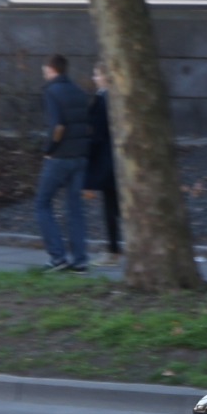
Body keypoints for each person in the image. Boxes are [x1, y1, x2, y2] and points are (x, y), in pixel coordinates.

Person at [35, 54, 92, 273]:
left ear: (51, 69)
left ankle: (57, 257)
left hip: (59, 158)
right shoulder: (78, 92)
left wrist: (48, 150)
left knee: (42, 204)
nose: (43, 71)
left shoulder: (51, 91)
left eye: (44, 68)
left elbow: (58, 127)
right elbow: (86, 127)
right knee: (75, 209)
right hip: (80, 158)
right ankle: (80, 260)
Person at [83, 61, 121, 266]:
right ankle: (115, 249)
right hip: (115, 161)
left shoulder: (103, 99)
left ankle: (113, 251)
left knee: (111, 208)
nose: (94, 78)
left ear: (106, 77)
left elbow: (96, 135)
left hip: (106, 162)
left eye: (96, 74)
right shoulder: (114, 99)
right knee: (115, 207)